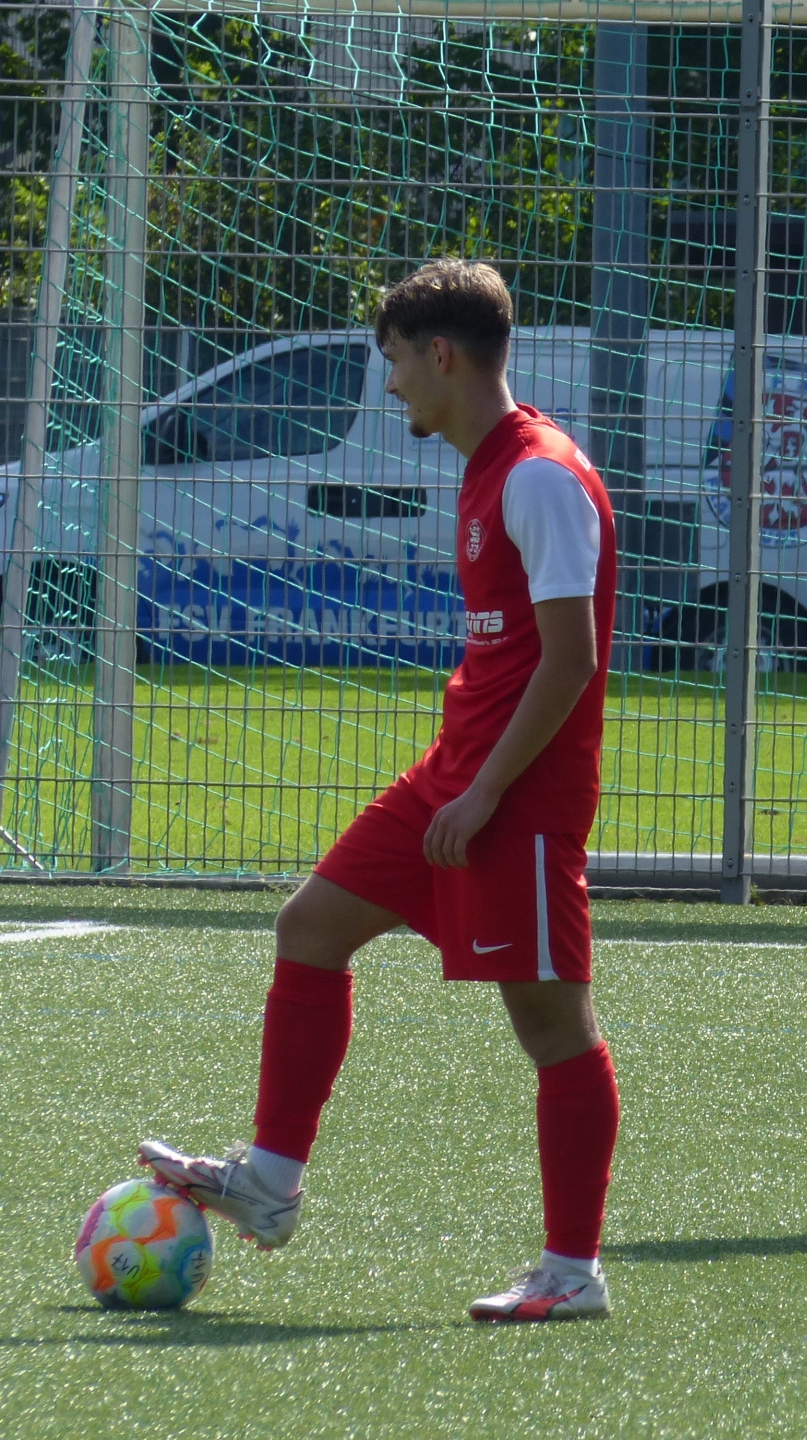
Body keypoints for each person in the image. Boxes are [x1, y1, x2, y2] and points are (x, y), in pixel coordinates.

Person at [139, 259, 622, 1321]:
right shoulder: (487, 466)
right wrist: (462, 783)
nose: (391, 382)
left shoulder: (540, 475)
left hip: (517, 802)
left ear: (440, 354)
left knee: (553, 1028)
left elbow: (572, 660)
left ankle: (572, 1272)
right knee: (310, 927)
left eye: (395, 360)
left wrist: (486, 794)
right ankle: (270, 1183)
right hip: (455, 779)